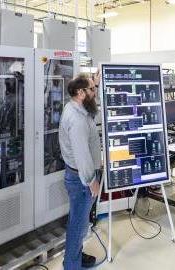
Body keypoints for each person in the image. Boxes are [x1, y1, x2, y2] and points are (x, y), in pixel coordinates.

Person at [59, 72, 101, 269]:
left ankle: (74, 256)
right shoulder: (77, 120)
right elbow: (82, 155)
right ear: (80, 92)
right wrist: (91, 180)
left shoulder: (78, 107)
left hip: (79, 177)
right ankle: (71, 265)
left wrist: (95, 83)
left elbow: (93, 110)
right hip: (82, 179)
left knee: (81, 223)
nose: (95, 92)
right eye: (92, 89)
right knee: (78, 225)